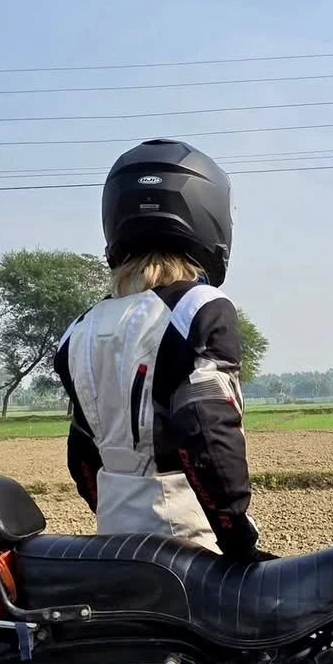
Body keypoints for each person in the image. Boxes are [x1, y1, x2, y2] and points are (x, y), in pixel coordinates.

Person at [53, 138, 266, 561]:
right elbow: (206, 430)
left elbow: (82, 453)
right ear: (210, 215)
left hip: (115, 536)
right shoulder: (199, 309)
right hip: (187, 532)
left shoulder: (78, 330)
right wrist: (238, 538)